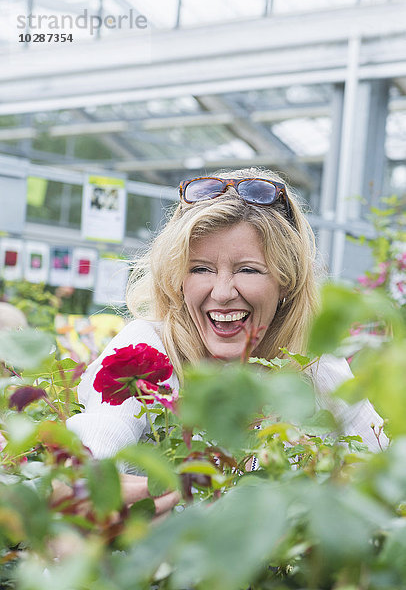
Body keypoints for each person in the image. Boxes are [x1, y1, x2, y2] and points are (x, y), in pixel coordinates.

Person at [67, 167, 388, 509]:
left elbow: (380, 473)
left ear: (286, 282)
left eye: (247, 270)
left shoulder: (313, 365)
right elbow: (100, 433)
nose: (221, 293)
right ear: (178, 279)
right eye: (200, 269)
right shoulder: (147, 349)